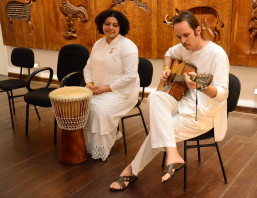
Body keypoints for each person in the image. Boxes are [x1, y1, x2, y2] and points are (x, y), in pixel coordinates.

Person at [109, 10, 229, 191]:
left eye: (186, 35)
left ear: (198, 30)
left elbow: (222, 94)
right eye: (179, 36)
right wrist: (166, 68)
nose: (182, 41)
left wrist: (201, 86)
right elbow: (169, 52)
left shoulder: (217, 54)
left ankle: (131, 171)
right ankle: (173, 155)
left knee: (160, 129)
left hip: (203, 113)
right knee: (155, 96)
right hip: (181, 100)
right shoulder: (183, 47)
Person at [83, 9, 140, 161]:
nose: (111, 28)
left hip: (123, 91)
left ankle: (100, 149)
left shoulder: (128, 46)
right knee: (81, 106)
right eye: (107, 24)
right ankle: (87, 145)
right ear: (101, 25)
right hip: (97, 88)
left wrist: (105, 89)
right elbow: (88, 67)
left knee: (99, 111)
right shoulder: (98, 43)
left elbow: (130, 76)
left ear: (121, 27)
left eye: (115, 25)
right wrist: (89, 83)